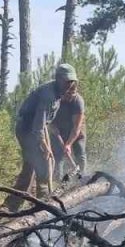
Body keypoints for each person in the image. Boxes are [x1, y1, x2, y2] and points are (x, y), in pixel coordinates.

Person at [10, 63, 78, 209]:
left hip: (34, 128)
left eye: (71, 81)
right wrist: (45, 147)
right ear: (58, 79)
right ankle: (42, 206)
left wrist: (50, 137)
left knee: (31, 166)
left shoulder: (57, 94)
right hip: (27, 129)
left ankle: (14, 204)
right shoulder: (49, 96)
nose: (69, 84)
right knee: (42, 166)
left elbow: (45, 121)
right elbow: (38, 126)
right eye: (66, 81)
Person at [52, 80, 86, 183]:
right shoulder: (54, 99)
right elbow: (48, 120)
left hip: (77, 131)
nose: (70, 96)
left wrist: (68, 144)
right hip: (59, 131)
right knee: (58, 158)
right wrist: (53, 128)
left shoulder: (78, 102)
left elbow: (76, 127)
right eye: (67, 93)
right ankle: (60, 184)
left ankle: (81, 178)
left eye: (73, 93)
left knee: (80, 154)